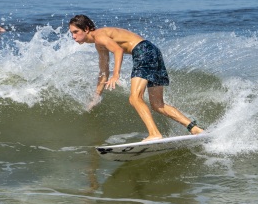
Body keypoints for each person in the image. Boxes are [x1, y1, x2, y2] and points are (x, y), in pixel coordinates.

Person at [69, 14, 203, 141]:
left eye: (75, 32)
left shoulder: (99, 36)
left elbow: (118, 50)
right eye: (71, 33)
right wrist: (95, 97)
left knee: (134, 98)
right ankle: (194, 128)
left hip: (142, 51)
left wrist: (116, 75)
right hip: (152, 50)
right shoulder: (100, 44)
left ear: (86, 29)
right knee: (157, 105)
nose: (73, 37)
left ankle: (154, 134)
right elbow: (103, 71)